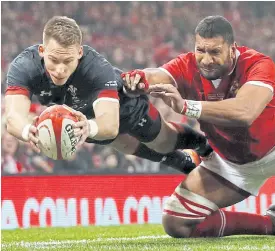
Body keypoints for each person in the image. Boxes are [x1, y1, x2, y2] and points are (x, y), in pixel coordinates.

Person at [122, 15, 275, 237]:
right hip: (232, 165)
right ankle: (270, 225)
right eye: (200, 50)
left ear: (232, 49)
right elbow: (159, 75)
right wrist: (138, 79)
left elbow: (245, 112)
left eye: (214, 52)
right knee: (176, 223)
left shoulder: (258, 64)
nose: (206, 59)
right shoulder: (187, 65)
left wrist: (186, 107)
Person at [5, 16, 211, 175]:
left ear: (79, 53)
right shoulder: (24, 67)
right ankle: (181, 162)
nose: (59, 69)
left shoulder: (95, 67)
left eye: (67, 61)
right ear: (42, 50)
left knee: (163, 141)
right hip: (83, 118)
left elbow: (110, 125)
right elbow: (13, 117)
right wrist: (26, 131)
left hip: (123, 106)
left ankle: (206, 147)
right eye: (54, 60)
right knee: (125, 145)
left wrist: (89, 127)